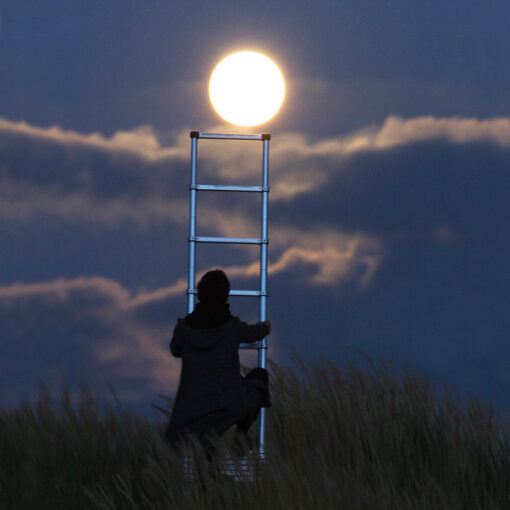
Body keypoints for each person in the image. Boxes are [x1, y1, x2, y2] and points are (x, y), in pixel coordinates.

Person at [165, 269, 271, 453]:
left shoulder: (184, 329)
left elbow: (175, 350)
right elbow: (254, 333)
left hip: (194, 408)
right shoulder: (232, 328)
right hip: (230, 402)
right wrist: (265, 327)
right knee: (260, 377)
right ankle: (240, 437)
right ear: (226, 296)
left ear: (198, 295)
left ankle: (209, 475)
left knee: (205, 461)